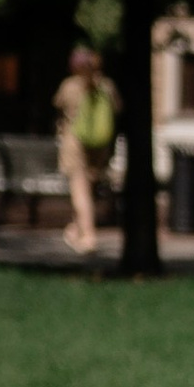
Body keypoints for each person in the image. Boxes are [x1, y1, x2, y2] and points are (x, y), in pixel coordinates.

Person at [51, 43, 114, 256]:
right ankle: (76, 229)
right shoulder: (107, 86)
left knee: (80, 189)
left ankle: (88, 235)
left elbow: (58, 104)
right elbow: (118, 107)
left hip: (75, 142)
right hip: (100, 142)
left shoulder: (70, 86)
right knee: (89, 189)